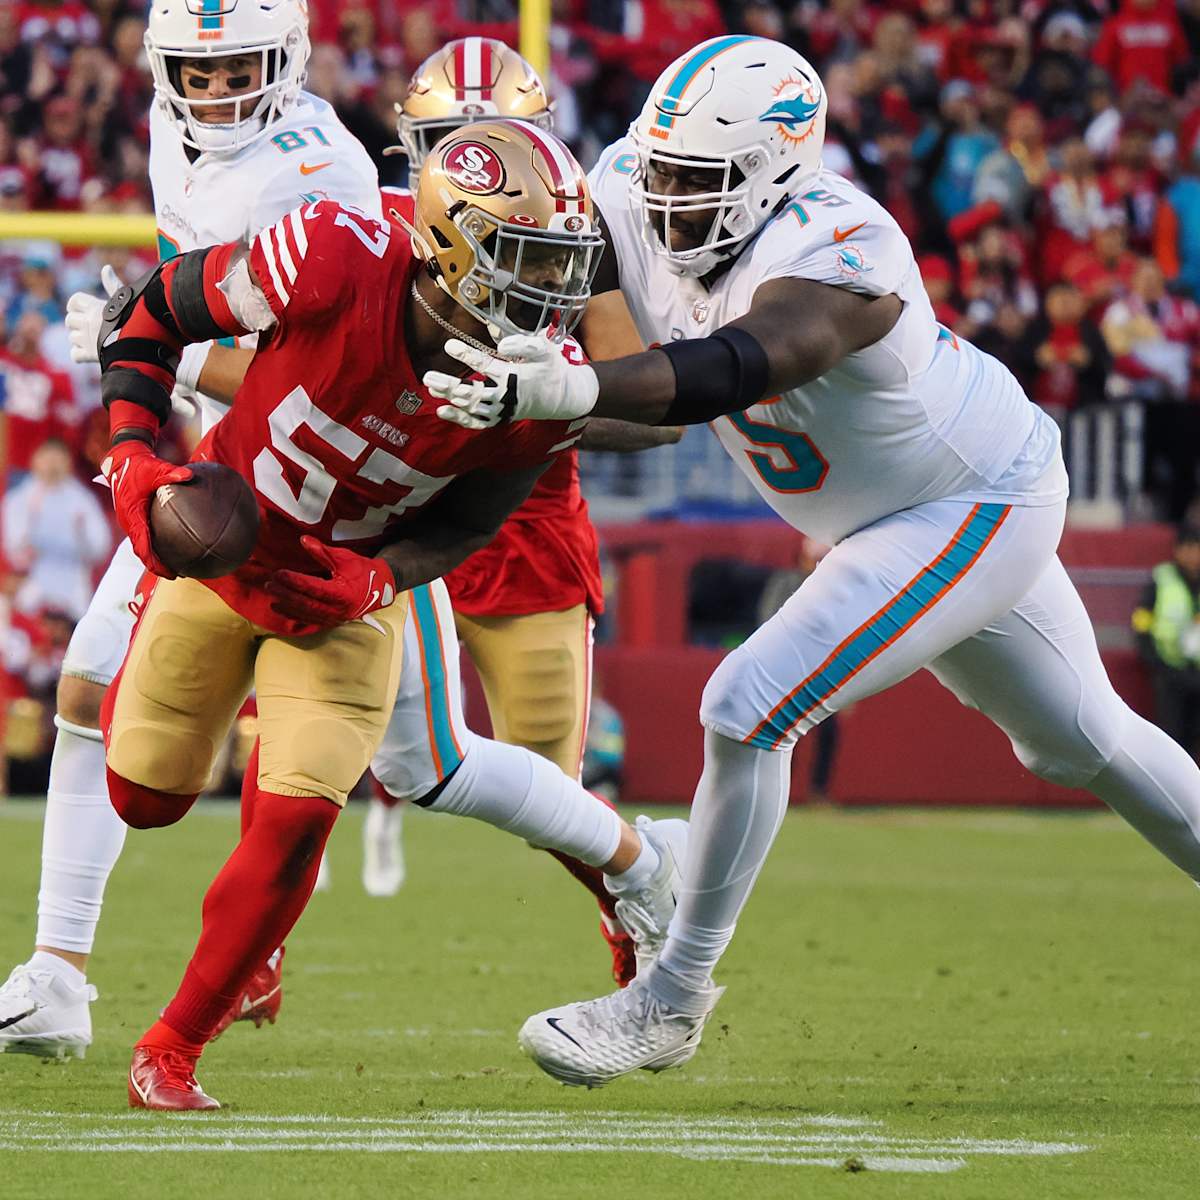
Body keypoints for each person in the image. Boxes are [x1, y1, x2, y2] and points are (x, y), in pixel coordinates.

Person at [429, 35, 1200, 1088]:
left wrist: (574, 391)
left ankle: (671, 999)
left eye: (695, 181)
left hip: (967, 498)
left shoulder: (842, 246)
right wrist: (509, 396)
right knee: (1083, 742)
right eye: (658, 170)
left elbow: (740, 364)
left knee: (746, 703)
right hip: (893, 515)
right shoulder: (629, 190)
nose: (664, 200)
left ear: (773, 173)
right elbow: (635, 396)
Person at [94, 119, 685, 1110]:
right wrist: (130, 455)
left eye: (560, 261)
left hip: (341, 595)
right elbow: (155, 310)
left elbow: (467, 526)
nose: (550, 288)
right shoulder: (333, 254)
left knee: (300, 814)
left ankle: (173, 1045)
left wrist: (376, 581)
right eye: (525, 258)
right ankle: (633, 866)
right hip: (223, 548)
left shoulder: (531, 382)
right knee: (142, 798)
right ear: (449, 244)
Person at [0, 0, 382, 1061]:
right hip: (224, 459)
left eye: (238, 69)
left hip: (301, 478)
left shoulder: (313, 177)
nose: (214, 93)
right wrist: (149, 342)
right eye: (196, 72)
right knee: (88, 689)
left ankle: (633, 868)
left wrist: (144, 343)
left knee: (434, 763)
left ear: (287, 61)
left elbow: (314, 387)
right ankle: (61, 973)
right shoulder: (179, 132)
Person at [385, 36, 679, 976]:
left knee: (548, 796)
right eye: (448, 144)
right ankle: (254, 955)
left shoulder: (573, 232)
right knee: (319, 744)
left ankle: (634, 894)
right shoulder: (374, 230)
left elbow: (656, 413)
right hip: (397, 521)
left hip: (526, 535)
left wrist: (543, 404)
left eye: (490, 139)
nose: (474, 167)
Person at [1, 436, 111, 620]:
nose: (52, 466)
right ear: (35, 461)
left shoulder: (83, 501)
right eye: (47, 459)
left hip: (73, 588)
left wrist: (77, 538)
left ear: (68, 463)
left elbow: (100, 547)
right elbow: (14, 545)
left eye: (57, 460)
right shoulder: (19, 499)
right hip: (31, 586)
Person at [1132, 526, 1200, 757]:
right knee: (1172, 736)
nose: (1194, 555)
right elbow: (1142, 622)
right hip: (1169, 670)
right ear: (1177, 550)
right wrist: (1155, 663)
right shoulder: (1162, 579)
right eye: (1189, 548)